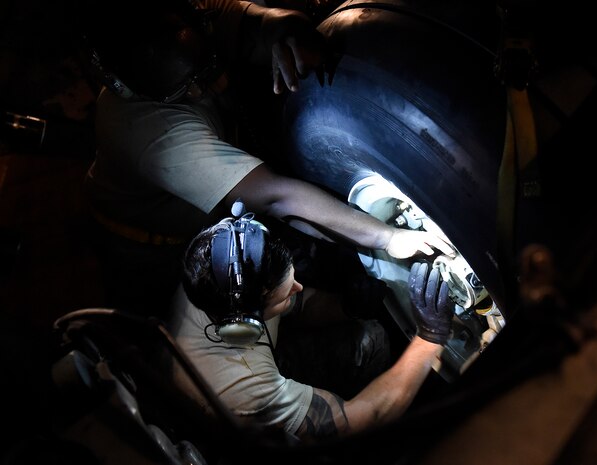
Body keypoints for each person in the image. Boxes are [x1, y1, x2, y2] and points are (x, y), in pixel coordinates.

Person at [77, 0, 452, 316]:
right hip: (150, 243)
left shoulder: (191, 17)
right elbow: (274, 196)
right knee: (198, 313)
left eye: (201, 70)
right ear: (128, 89)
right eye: (179, 90)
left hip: (223, 174)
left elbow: (260, 20)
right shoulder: (143, 132)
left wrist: (281, 29)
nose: (200, 89)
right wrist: (386, 237)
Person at [168, 210, 455, 443]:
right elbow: (355, 423)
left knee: (368, 333)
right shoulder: (243, 386)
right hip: (238, 429)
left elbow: (298, 303)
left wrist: (347, 306)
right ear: (246, 323)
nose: (299, 287)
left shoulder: (217, 265)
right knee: (370, 345)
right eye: (285, 293)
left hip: (266, 354)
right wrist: (430, 336)